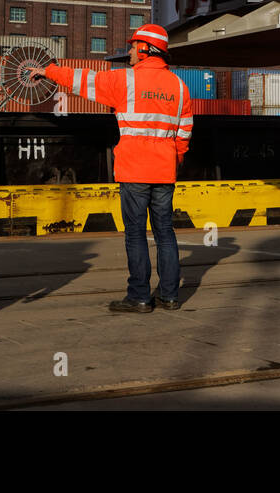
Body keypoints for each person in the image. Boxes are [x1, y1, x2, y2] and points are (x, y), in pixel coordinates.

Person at [26, 24, 192, 312]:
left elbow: (84, 80)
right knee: (165, 232)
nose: (129, 51)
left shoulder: (125, 81)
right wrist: (172, 161)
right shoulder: (179, 86)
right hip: (164, 172)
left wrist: (49, 71)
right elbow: (185, 133)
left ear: (144, 49)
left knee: (136, 233)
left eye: (132, 46)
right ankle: (170, 296)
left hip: (134, 172)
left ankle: (140, 297)